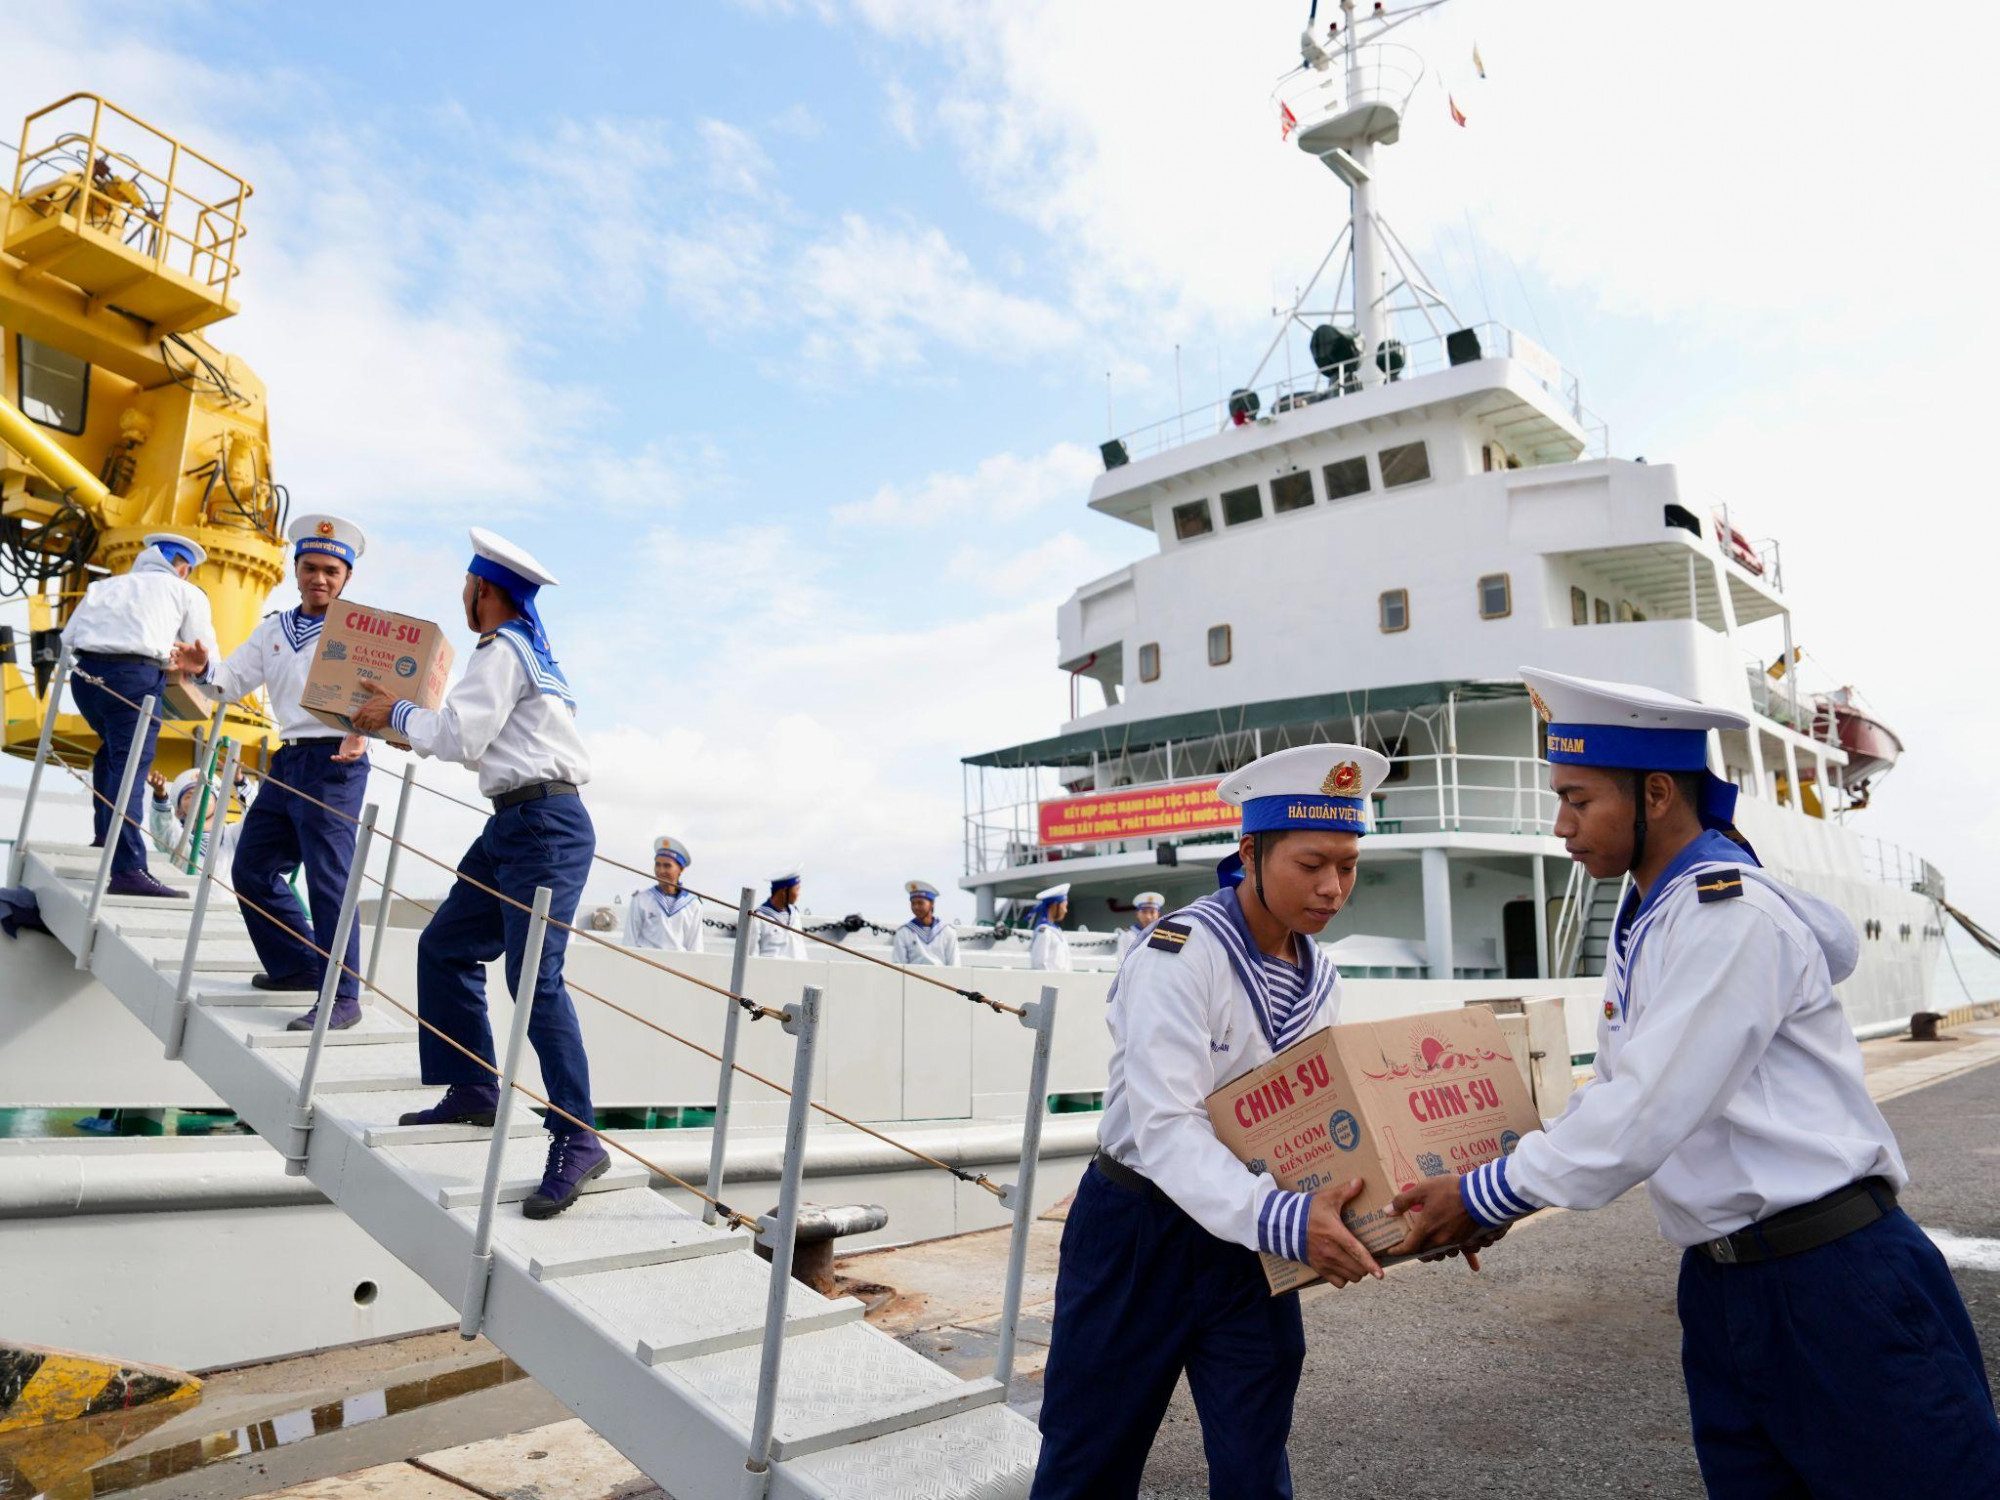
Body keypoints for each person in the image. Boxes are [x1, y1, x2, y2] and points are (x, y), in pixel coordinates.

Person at [1390, 667, 2000, 1496]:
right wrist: (1502, 1194)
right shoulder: (1654, 916)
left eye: (1579, 800)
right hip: (1724, 1286)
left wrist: (1486, 1195)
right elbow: (1615, 1094)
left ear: (1656, 797)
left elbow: (1643, 1113)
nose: (1561, 825)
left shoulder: (1727, 916)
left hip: (1833, 1279)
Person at [1033, 745, 1409, 1500]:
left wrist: (1414, 1215)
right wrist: (1284, 1221)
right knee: (1088, 1465)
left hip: (1251, 1240)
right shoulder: (1179, 954)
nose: (1334, 888)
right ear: (1250, 852)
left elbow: (1313, 1120)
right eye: (1312, 864)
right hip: (1140, 1232)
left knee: (1254, 1466)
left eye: (1348, 865)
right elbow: (1168, 1128)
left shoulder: (1320, 976)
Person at [350, 528, 603, 1220]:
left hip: (542, 830)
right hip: (516, 826)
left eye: (465, 587)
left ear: (482, 591)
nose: (463, 596)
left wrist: (392, 713)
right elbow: (465, 734)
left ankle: (577, 1137)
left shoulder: (500, 651)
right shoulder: (529, 652)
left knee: (533, 982)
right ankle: (473, 1086)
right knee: (447, 944)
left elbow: (460, 738)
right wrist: (393, 716)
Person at [174, 515, 370, 1031]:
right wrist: (201, 668)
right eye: (310, 567)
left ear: (346, 577)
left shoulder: (362, 632)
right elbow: (229, 682)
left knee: (330, 880)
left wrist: (363, 732)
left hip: (336, 760)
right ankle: (296, 966)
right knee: (252, 868)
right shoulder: (275, 629)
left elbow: (391, 697)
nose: (319, 579)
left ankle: (342, 996)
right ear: (295, 569)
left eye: (331, 570)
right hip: (288, 759)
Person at [62, 533, 219, 898]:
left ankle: (105, 836)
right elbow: (204, 651)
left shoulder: (104, 587)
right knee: (131, 765)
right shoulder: (185, 592)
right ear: (183, 568)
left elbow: (69, 638)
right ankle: (129, 869)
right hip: (134, 680)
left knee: (113, 752)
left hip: (85, 681)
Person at [146, 766, 244, 863]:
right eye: (190, 795)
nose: (198, 798)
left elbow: (255, 820)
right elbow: (162, 827)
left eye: (205, 793)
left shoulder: (232, 835)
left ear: (218, 803)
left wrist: (240, 782)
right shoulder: (177, 838)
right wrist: (160, 795)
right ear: (179, 811)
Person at [624, 836, 702, 952]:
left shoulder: (693, 904)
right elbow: (629, 942)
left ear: (681, 869)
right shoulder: (641, 899)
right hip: (645, 964)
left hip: (677, 965)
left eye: (667, 866)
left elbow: (695, 947)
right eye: (657, 865)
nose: (660, 871)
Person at [891, 880, 958, 966]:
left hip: (940, 978)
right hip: (912, 978)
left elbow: (954, 964)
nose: (916, 907)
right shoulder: (903, 933)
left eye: (920, 903)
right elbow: (898, 964)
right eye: (913, 903)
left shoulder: (947, 932)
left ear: (932, 903)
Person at [752, 865, 808, 960]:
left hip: (798, 971)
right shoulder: (759, 918)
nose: (799, 894)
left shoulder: (795, 914)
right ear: (784, 891)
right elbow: (752, 955)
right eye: (797, 889)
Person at [1026, 882, 1071, 971]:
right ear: (1055, 906)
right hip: (1052, 984)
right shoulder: (1044, 932)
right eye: (1064, 906)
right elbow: (1039, 965)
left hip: (1062, 983)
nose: (1066, 911)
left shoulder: (1055, 931)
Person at [1113, 890, 1165, 962]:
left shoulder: (1164, 934)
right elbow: (1121, 962)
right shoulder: (1128, 935)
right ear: (1137, 914)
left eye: (1152, 912)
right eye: (1144, 912)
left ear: (1158, 914)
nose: (1148, 917)